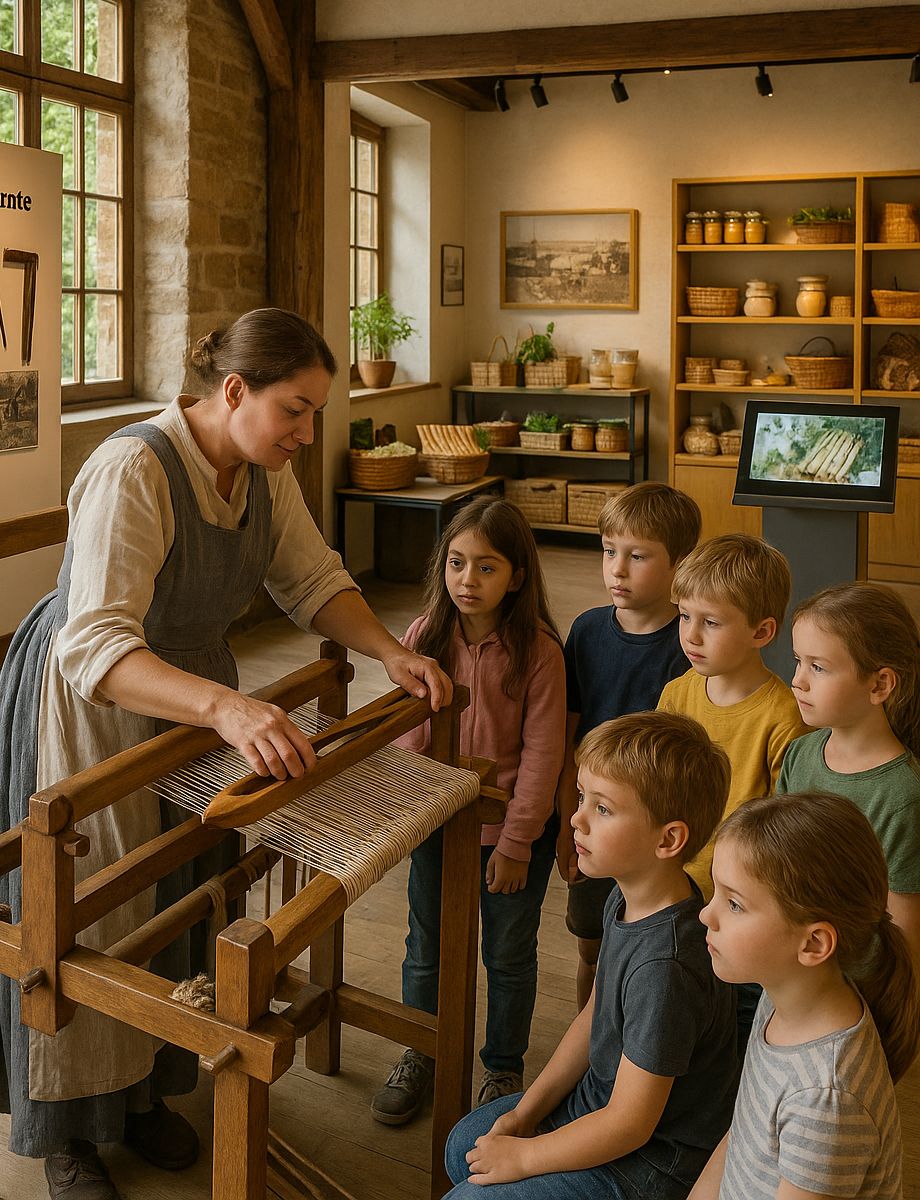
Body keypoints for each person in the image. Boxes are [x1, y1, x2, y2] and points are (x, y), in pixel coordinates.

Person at [0, 307, 451, 1200]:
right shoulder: (136, 467)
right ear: (234, 391)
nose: (306, 432)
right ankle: (72, 1136)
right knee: (96, 910)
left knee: (180, 894)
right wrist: (229, 710)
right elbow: (95, 647)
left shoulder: (258, 470)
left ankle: (142, 1098)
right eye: (295, 409)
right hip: (95, 706)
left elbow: (312, 579)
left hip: (193, 698)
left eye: (315, 411)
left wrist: (389, 651)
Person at [443, 711, 739, 1200]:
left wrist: (527, 1156)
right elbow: (593, 1016)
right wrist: (525, 1113)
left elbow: (629, 1125)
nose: (576, 818)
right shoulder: (626, 896)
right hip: (596, 1110)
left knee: (468, 1194)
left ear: (668, 839)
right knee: (464, 1147)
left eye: (602, 809)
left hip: (644, 1167)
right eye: (582, 798)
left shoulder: (666, 967)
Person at [370, 498, 566, 1126]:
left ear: (517, 576)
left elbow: (543, 756)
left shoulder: (539, 652)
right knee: (425, 942)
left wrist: (515, 844)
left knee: (508, 953)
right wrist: (402, 817)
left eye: (486, 567)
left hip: (511, 835)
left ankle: (503, 1066)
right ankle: (420, 1048)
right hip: (438, 828)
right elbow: (405, 735)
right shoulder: (424, 635)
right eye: (456, 563)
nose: (466, 580)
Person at [692, 791, 920, 1200]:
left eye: (734, 904)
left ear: (814, 944)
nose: (706, 915)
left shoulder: (825, 1099)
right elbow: (740, 1134)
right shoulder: (781, 995)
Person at [555, 481, 701, 1010]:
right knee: (592, 953)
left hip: (652, 826)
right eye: (609, 551)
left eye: (637, 556)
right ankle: (591, 1052)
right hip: (592, 818)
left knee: (652, 950)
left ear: (679, 564)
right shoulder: (587, 631)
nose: (617, 569)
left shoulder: (688, 648)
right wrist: (564, 823)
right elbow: (567, 734)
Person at [779, 582, 920, 972]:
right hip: (791, 971)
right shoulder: (799, 754)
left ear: (879, 685)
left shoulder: (904, 796)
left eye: (819, 667)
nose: (798, 680)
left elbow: (903, 943)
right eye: (798, 661)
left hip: (858, 993)